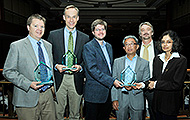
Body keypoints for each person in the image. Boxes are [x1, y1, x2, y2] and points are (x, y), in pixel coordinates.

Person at [2, 14, 56, 120]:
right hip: (27, 96)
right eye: (35, 26)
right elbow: (8, 71)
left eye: (42, 27)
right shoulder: (17, 46)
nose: (39, 29)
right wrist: (28, 84)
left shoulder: (48, 46)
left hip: (48, 95)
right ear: (28, 27)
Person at [47, 5, 89, 120]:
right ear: (64, 17)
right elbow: (48, 57)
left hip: (76, 79)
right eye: (68, 17)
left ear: (78, 18)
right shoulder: (53, 35)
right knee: (58, 113)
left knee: (75, 114)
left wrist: (80, 67)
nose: (71, 20)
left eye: (74, 17)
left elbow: (87, 60)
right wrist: (56, 66)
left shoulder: (85, 38)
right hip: (59, 78)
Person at [83, 19, 123, 120]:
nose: (101, 32)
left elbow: (110, 68)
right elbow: (92, 70)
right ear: (93, 32)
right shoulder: (88, 47)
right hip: (94, 94)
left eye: (103, 29)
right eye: (97, 29)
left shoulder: (109, 46)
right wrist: (112, 81)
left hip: (107, 94)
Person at [148, 30, 187, 120]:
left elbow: (176, 84)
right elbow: (155, 78)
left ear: (174, 43)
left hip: (170, 104)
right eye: (163, 42)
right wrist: (143, 84)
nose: (165, 44)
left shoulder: (181, 60)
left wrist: (155, 84)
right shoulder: (157, 59)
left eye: (168, 42)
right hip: (157, 103)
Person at [111, 35, 150, 120]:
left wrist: (134, 86)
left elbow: (146, 81)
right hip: (121, 98)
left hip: (137, 98)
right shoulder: (117, 62)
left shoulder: (144, 63)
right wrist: (114, 99)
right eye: (127, 44)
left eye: (132, 44)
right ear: (124, 48)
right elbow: (114, 80)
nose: (129, 46)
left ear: (137, 46)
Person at [137, 22, 159, 120]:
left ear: (152, 32)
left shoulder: (159, 47)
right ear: (140, 34)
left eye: (148, 29)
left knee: (155, 112)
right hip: (138, 85)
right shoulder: (135, 48)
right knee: (138, 113)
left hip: (153, 84)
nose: (146, 32)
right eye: (143, 30)